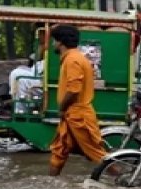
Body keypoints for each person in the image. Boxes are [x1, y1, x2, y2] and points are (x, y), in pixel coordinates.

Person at [46, 24, 107, 177]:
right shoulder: (74, 58)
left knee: (96, 154)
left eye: (54, 40)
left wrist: (61, 107)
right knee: (59, 150)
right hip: (72, 114)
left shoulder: (72, 60)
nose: (53, 44)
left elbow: (74, 89)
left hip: (78, 114)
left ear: (60, 42)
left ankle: (123, 181)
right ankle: (51, 184)